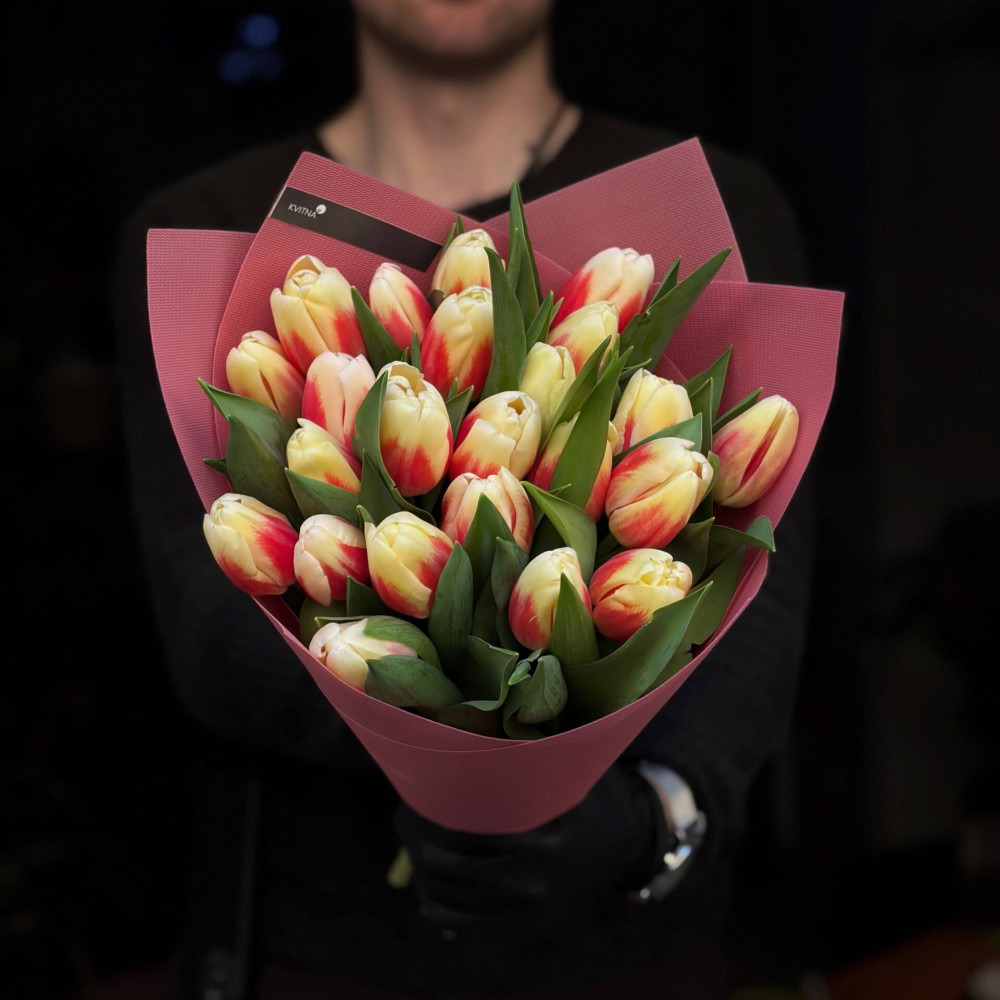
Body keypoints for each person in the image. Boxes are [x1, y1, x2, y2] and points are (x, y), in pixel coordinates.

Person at [112, 1, 814, 997]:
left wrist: (651, 815)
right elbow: (210, 624)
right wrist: (468, 737)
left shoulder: (716, 202)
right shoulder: (213, 223)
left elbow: (758, 581)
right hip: (323, 949)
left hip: (627, 946)